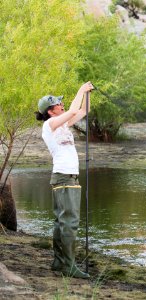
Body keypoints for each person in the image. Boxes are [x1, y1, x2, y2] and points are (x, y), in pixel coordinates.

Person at [34, 81, 94, 279]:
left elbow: (83, 110)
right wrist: (80, 89)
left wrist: (87, 93)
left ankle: (59, 261)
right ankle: (69, 265)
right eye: (58, 104)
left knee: (62, 222)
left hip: (67, 177)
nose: (62, 105)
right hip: (64, 176)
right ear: (51, 112)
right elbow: (73, 110)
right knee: (69, 222)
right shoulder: (49, 124)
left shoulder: (62, 125)